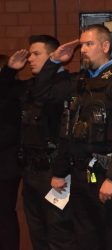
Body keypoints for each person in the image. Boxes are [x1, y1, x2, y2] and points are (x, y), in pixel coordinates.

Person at [41, 24, 112, 250]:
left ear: (105, 46)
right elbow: (46, 99)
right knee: (86, 238)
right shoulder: (80, 81)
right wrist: (54, 62)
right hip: (79, 174)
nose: (83, 49)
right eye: (82, 44)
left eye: (89, 44)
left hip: (108, 174)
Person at [0, 36, 75, 249]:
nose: (30, 58)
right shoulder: (31, 85)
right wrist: (9, 71)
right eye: (30, 54)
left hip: (55, 172)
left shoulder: (64, 85)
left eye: (36, 54)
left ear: (53, 56)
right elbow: (4, 97)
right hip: (31, 171)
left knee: (58, 230)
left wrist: (60, 171)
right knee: (37, 230)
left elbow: (66, 133)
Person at [0, 54, 22, 250]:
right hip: (8, 165)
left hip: (6, 167)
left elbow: (9, 132)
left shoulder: (13, 94)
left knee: (5, 215)